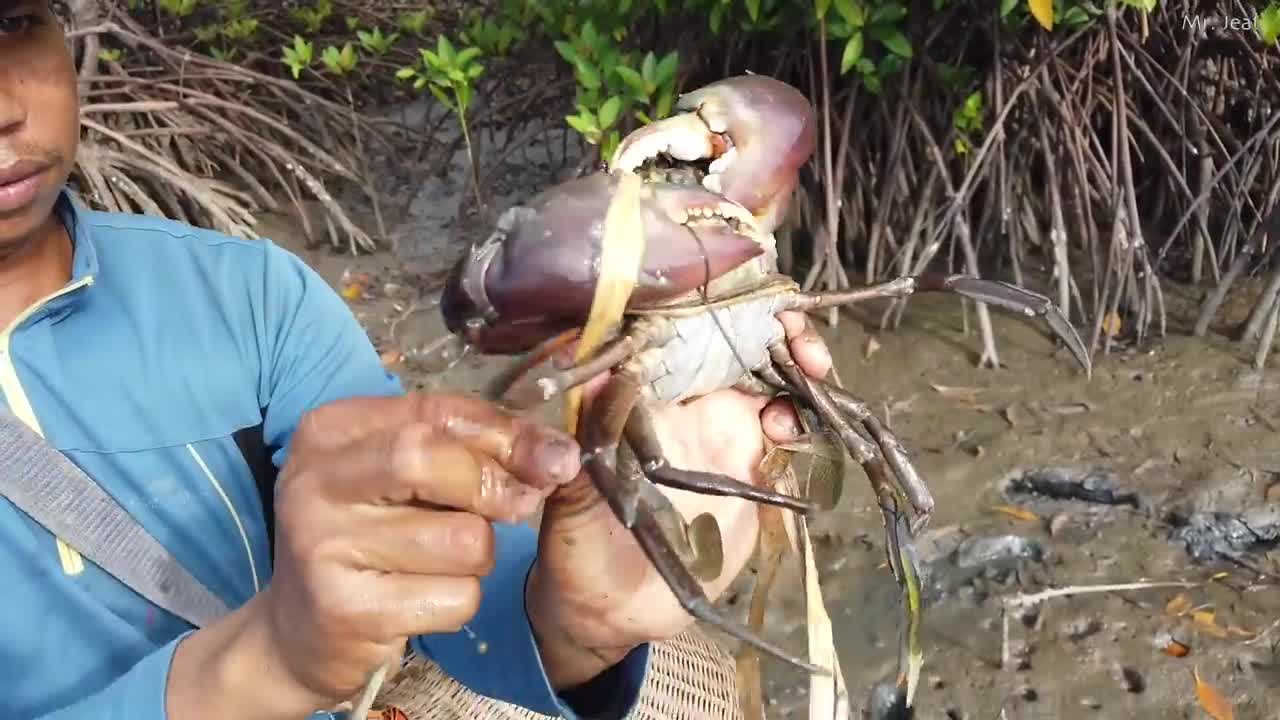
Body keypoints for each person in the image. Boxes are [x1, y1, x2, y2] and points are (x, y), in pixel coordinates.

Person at [0, 2, 833, 719]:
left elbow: (455, 577)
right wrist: (261, 663)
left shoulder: (247, 297)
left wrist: (571, 616)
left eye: (13, 23)